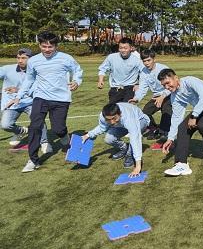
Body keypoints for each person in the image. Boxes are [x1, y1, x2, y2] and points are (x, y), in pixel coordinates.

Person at [9, 32, 83, 173]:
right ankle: (33, 160)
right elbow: (29, 80)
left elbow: (77, 71)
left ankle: (65, 137)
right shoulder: (33, 61)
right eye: (44, 46)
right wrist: (19, 95)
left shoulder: (66, 58)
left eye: (50, 46)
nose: (47, 49)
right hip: (40, 97)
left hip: (61, 99)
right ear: (39, 45)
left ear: (56, 46)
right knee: (35, 127)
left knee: (58, 129)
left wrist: (76, 81)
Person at [158, 69, 203, 176]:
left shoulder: (190, 81)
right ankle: (181, 164)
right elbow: (176, 117)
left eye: (167, 83)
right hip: (199, 111)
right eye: (163, 85)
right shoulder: (174, 96)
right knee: (182, 128)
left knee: (202, 124)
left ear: (176, 78)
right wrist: (170, 138)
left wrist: (194, 115)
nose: (166, 87)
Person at [0, 49, 49, 152]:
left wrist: (18, 90)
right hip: (12, 104)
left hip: (30, 102)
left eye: (23, 58)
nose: (20, 60)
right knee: (5, 125)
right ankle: (21, 131)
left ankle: (44, 142)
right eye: (18, 58)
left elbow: (39, 90)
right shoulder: (7, 69)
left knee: (38, 118)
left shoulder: (38, 72)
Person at [81, 103, 149, 175]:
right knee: (109, 139)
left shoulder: (128, 117)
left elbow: (135, 138)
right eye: (108, 120)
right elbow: (102, 128)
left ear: (120, 114)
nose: (112, 122)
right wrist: (88, 135)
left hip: (140, 120)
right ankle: (124, 148)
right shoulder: (103, 116)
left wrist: (138, 166)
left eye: (114, 118)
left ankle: (130, 154)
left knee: (134, 139)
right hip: (121, 125)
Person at [128, 49, 172, 141]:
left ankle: (164, 132)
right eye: (144, 61)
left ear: (154, 59)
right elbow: (142, 88)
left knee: (166, 110)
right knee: (145, 112)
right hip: (156, 96)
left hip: (169, 95)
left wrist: (162, 96)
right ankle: (154, 129)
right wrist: (136, 98)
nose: (147, 63)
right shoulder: (143, 72)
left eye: (149, 60)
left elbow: (171, 87)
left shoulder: (163, 69)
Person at [98, 37, 143, 103]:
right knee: (113, 111)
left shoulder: (136, 60)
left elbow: (143, 73)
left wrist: (138, 84)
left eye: (125, 48)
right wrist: (100, 80)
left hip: (130, 89)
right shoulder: (111, 57)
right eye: (121, 48)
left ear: (131, 48)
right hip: (115, 89)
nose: (123, 50)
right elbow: (102, 69)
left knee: (126, 110)